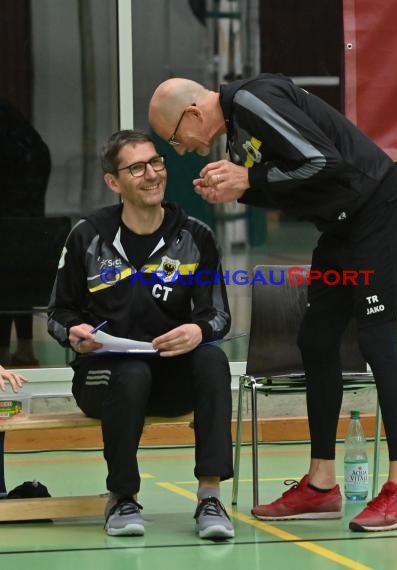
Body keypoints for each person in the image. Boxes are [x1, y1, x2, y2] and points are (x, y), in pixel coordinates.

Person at [149, 73, 397, 532]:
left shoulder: (253, 99)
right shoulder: (238, 133)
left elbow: (324, 161)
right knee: (315, 341)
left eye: (175, 137)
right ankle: (321, 485)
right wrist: (242, 190)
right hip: (340, 226)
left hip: (379, 210)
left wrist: (248, 177)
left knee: (378, 343)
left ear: (193, 112)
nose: (179, 149)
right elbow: (295, 182)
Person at [47, 129, 234, 539]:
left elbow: (218, 316)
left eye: (157, 163)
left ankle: (209, 496)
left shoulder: (195, 236)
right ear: (114, 182)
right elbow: (58, 313)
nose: (152, 174)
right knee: (131, 373)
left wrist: (197, 331)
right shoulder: (87, 236)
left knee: (213, 359)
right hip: (104, 377)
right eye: (137, 168)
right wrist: (74, 332)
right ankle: (123, 497)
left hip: (169, 376)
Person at [0, 98, 51, 366]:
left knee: (6, 289)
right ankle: (25, 350)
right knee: (20, 288)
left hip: (10, 220)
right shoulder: (27, 137)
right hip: (31, 221)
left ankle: (6, 356)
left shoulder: (9, 135)